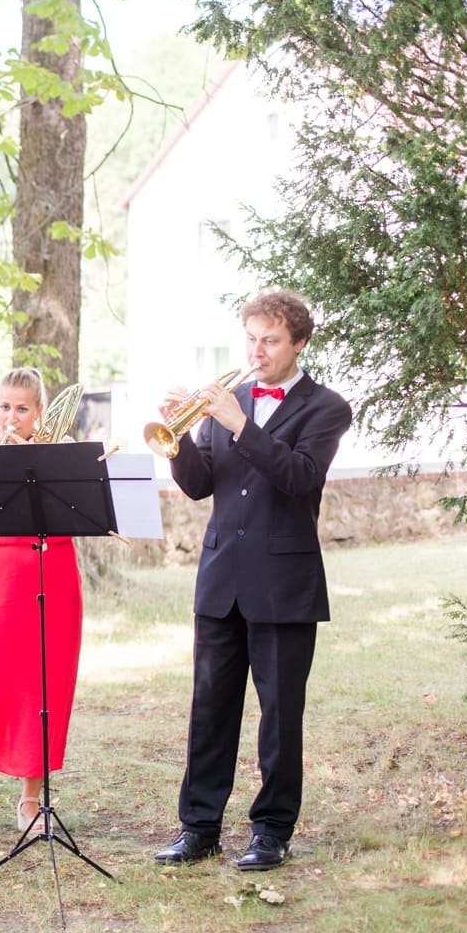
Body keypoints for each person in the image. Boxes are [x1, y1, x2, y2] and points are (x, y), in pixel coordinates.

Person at [153, 290, 352, 871]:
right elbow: (198, 485)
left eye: (270, 341)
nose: (257, 351)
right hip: (221, 579)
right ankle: (199, 828)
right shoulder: (227, 402)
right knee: (209, 709)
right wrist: (180, 437)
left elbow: (300, 478)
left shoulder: (326, 408)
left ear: (299, 344)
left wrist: (240, 424)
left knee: (280, 714)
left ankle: (271, 831)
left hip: (285, 584)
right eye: (250, 338)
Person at [0, 367, 85, 846]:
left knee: (45, 689)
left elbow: (80, 519)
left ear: (40, 411)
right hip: (0, 580)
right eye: (4, 406)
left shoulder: (64, 457)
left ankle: (31, 797)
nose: (12, 416)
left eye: (22, 408)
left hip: (55, 574)